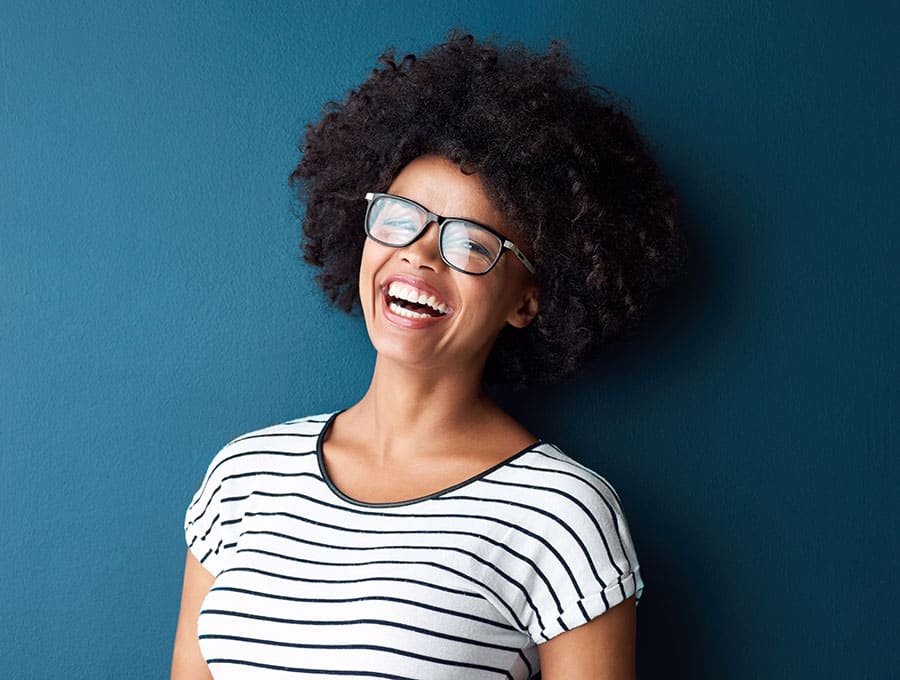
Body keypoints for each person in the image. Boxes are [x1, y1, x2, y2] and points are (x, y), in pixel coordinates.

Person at [171, 32, 685, 680]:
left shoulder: (562, 513)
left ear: (528, 300)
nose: (419, 253)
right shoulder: (243, 478)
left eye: (471, 242)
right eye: (399, 217)